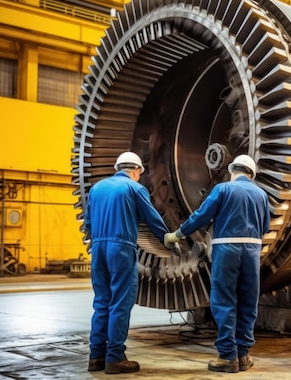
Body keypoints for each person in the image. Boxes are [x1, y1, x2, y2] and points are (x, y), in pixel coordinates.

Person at [165, 154, 270, 373]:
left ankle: (227, 356)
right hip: (252, 250)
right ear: (251, 174)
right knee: (247, 301)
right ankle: (243, 354)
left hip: (227, 248)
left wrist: (178, 234)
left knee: (224, 300)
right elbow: (265, 226)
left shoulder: (223, 190)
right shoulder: (261, 194)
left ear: (233, 171)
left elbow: (202, 216)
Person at [85, 151, 173, 374]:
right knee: (120, 302)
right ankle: (115, 357)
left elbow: (88, 223)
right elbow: (152, 217)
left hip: (98, 248)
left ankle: (96, 357)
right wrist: (168, 238)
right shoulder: (135, 188)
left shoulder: (96, 189)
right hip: (121, 248)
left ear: (118, 168)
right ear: (136, 171)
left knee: (102, 301)